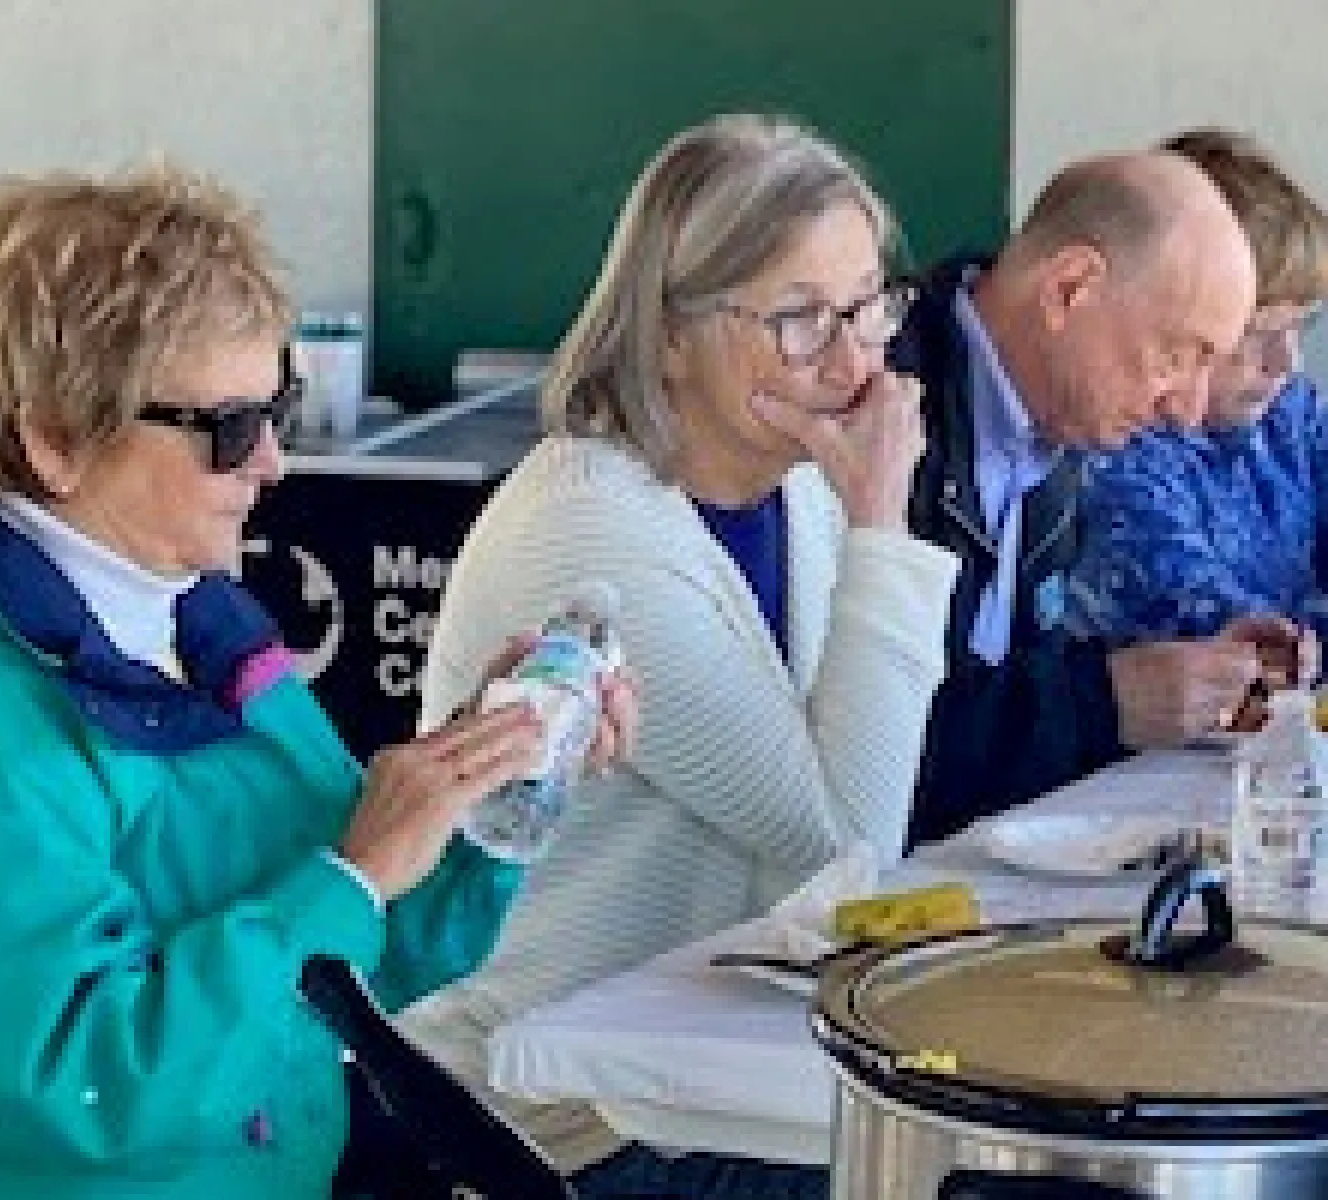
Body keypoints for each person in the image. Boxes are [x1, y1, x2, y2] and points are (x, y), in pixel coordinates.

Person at [0, 164, 628, 1196]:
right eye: (226, 431)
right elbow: (82, 1087)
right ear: (57, 440)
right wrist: (347, 878)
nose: (272, 466)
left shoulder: (198, 624)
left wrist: (499, 783)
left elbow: (369, 955)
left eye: (280, 410)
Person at [397, 115, 961, 1195]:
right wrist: (886, 524)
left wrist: (863, 522)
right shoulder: (598, 535)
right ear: (666, 335)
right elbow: (841, 845)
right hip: (566, 1122)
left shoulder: (796, 484)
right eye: (798, 320)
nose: (850, 363)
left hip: (714, 1076)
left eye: (865, 308)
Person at [894, 149, 1291, 847]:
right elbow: (880, 748)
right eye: (1178, 354)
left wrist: (1181, 676)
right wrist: (1104, 703)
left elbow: (1007, 686)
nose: (1190, 410)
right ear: (1070, 289)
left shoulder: (1061, 422)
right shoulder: (881, 408)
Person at [1071, 128, 1328, 675]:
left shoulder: (1285, 410)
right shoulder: (1115, 439)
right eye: (1255, 329)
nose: (1288, 362)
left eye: (1302, 324)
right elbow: (1237, 645)